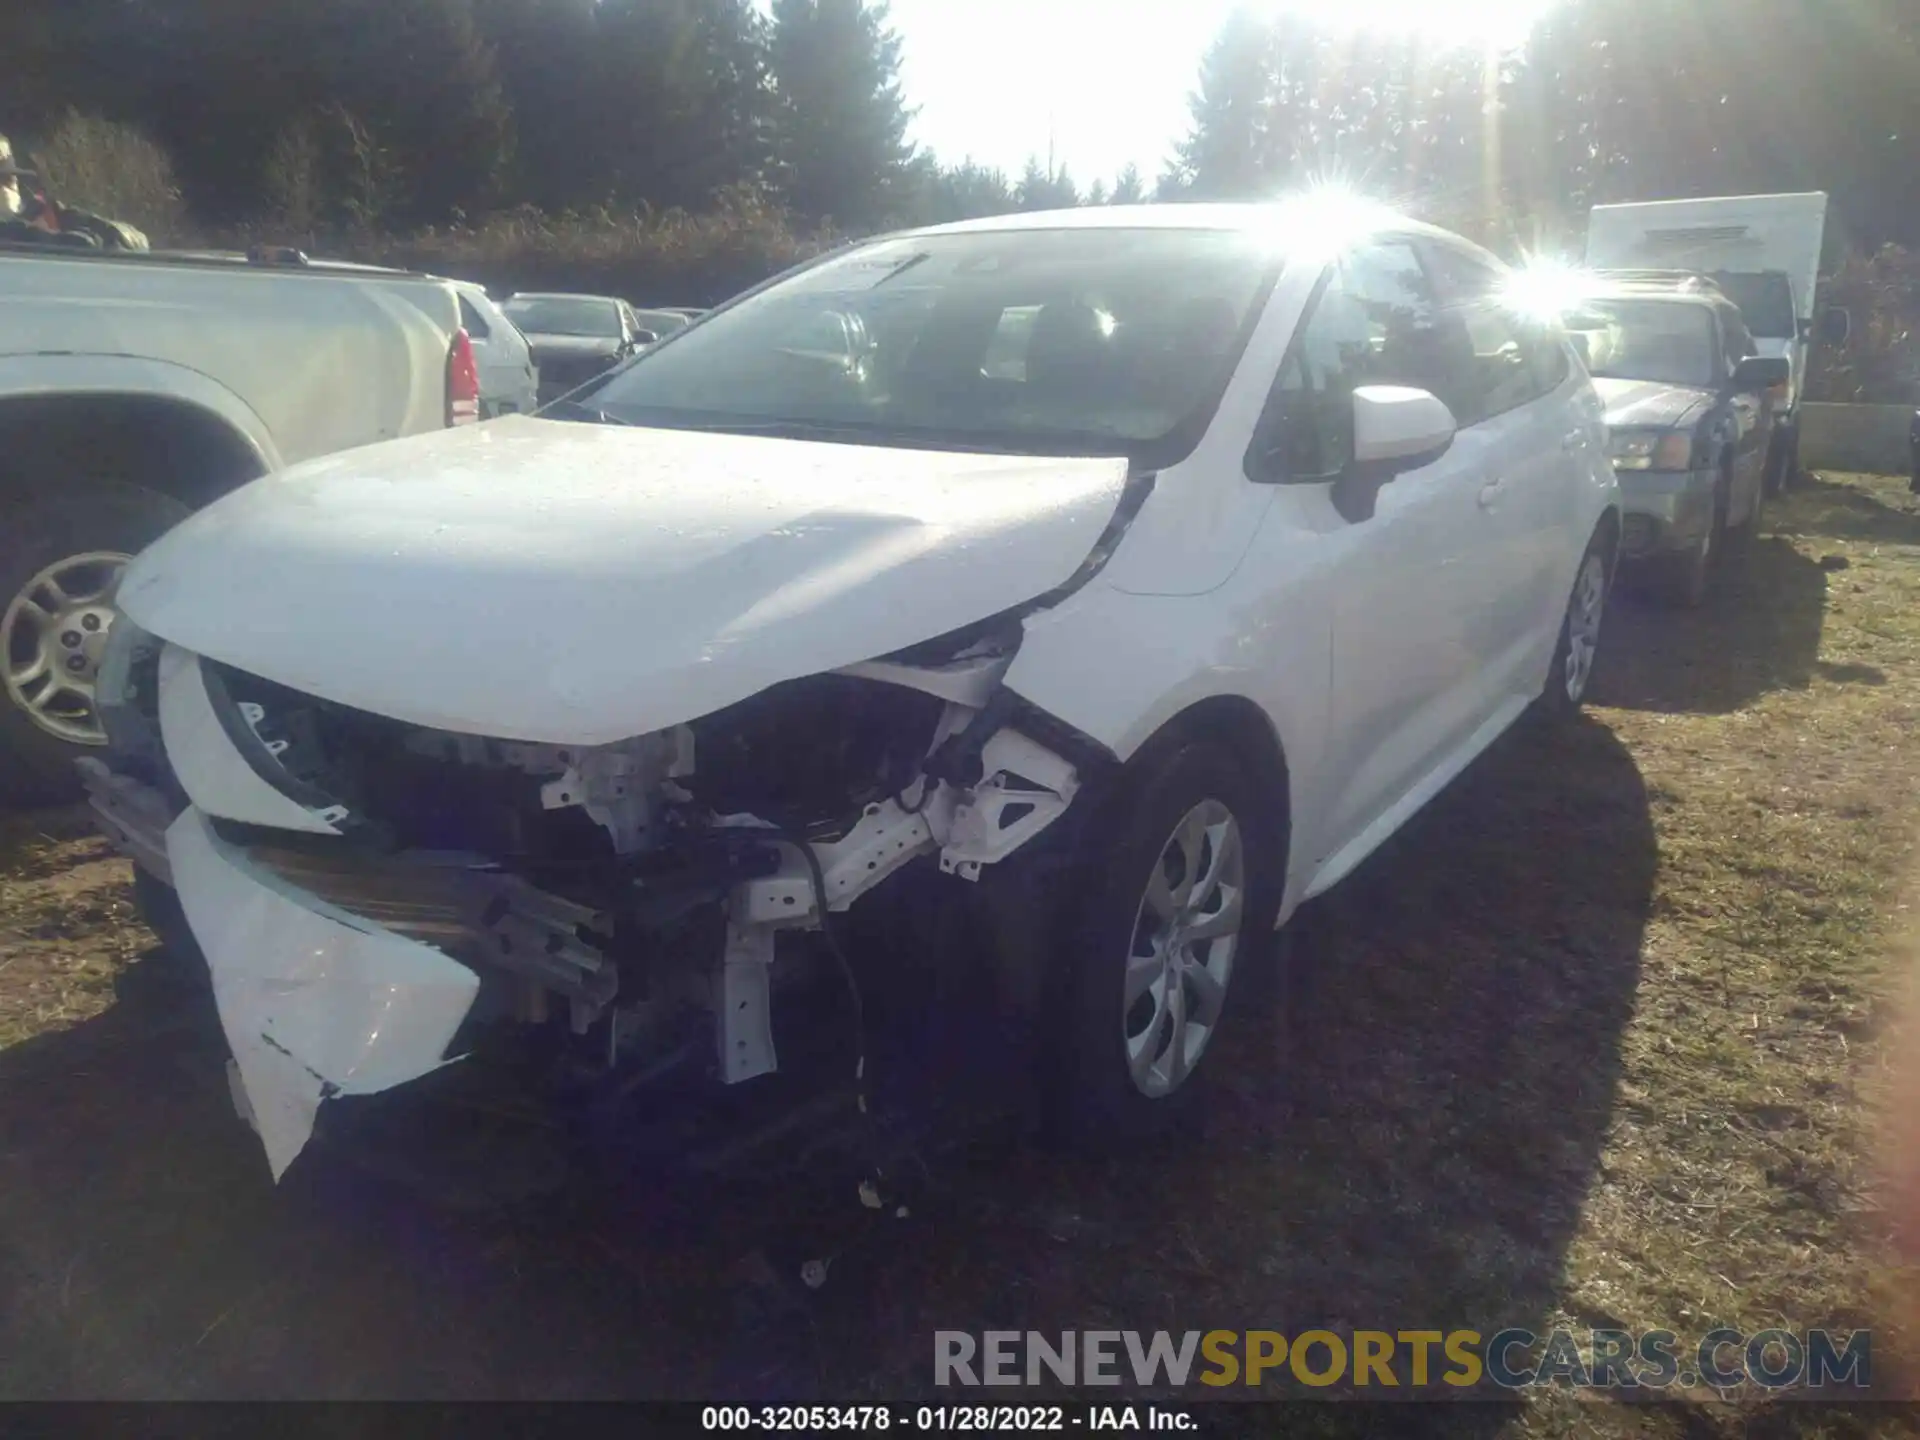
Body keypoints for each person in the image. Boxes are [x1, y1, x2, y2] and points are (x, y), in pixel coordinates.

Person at [0, 134, 148, 251]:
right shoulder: (19, 233)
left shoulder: (44, 212)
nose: (4, 191)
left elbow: (136, 240)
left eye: (7, 180)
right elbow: (82, 245)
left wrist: (112, 235)